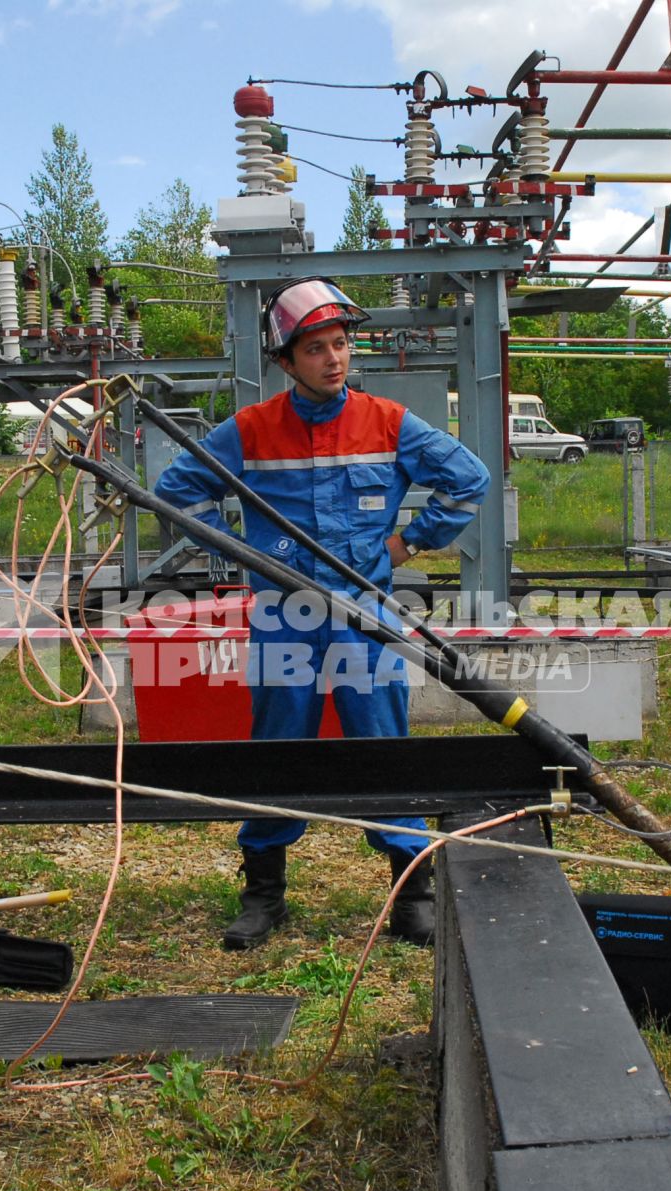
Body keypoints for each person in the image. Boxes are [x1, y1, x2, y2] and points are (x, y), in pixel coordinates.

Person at [153, 277, 492, 950]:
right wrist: (239, 548)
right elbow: (172, 493)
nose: (333, 359)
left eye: (340, 344)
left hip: (363, 615)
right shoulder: (247, 431)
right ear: (285, 360)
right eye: (315, 349)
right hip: (283, 617)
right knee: (279, 747)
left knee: (381, 745)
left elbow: (469, 480)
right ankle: (264, 895)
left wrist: (403, 544)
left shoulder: (389, 422)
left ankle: (411, 894)